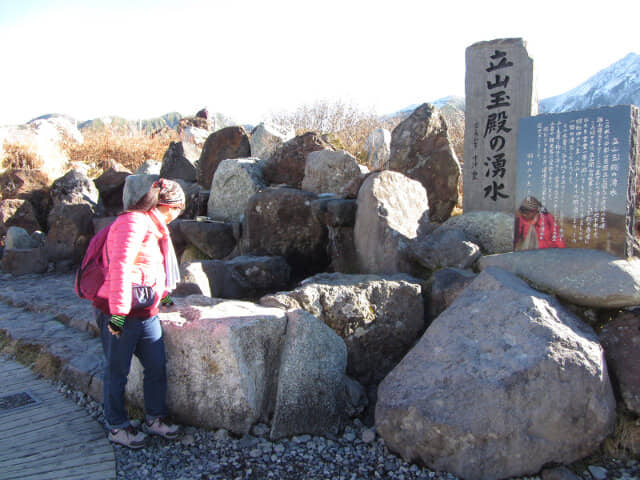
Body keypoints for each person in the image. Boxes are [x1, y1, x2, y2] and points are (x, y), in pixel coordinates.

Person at [93, 178, 184, 449]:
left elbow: (152, 271)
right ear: (170, 206)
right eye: (179, 210)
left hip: (146, 311)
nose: (178, 216)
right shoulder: (132, 222)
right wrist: (118, 314)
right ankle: (117, 426)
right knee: (117, 371)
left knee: (156, 366)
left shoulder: (155, 228)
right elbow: (121, 268)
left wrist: (165, 298)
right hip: (119, 311)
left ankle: (155, 418)